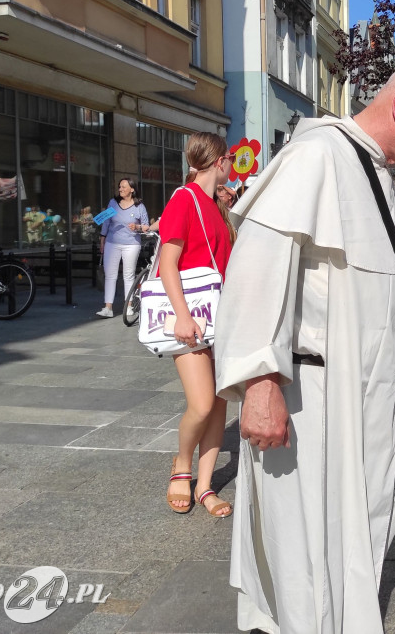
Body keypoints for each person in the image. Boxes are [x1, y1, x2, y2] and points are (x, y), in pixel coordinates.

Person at [214, 58, 395, 634]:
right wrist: (259, 384)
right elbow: (257, 275)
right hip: (313, 401)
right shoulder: (316, 156)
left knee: (351, 533)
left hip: (361, 398)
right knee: (308, 544)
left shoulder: (372, 169)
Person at [161, 133, 236, 520]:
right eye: (232, 160)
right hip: (190, 318)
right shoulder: (183, 199)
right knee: (202, 402)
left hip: (220, 317)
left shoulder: (214, 204)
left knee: (219, 404)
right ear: (221, 161)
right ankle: (182, 464)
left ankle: (205, 484)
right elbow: (167, 261)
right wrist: (182, 314)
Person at [97, 178, 150, 318]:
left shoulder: (139, 206)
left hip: (131, 244)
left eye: (123, 187)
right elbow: (106, 222)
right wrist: (102, 239)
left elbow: (146, 226)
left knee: (128, 275)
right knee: (110, 275)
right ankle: (108, 307)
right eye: (119, 186)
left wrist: (137, 227)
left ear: (132, 189)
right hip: (112, 243)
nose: (120, 189)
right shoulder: (113, 203)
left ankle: (129, 306)